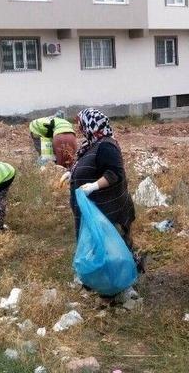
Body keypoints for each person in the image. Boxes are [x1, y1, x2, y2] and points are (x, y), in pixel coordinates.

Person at [68, 108, 142, 271]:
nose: (80, 129)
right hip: (96, 209)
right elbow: (87, 165)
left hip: (107, 209)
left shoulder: (106, 146)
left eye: (81, 125)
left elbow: (114, 173)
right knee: (100, 246)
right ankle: (98, 274)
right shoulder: (91, 144)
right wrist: (71, 174)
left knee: (114, 247)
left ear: (90, 125)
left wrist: (93, 186)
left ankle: (120, 279)